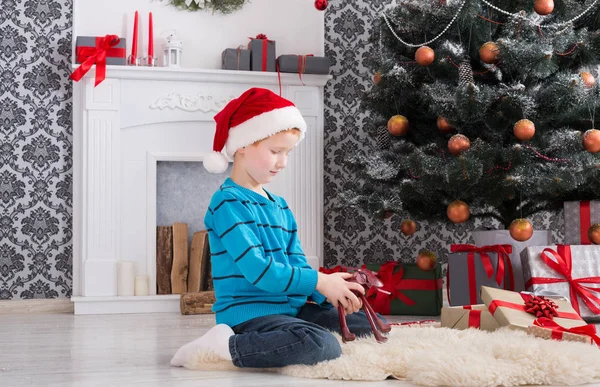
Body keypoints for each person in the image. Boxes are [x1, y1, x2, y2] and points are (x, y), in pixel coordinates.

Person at [171, 88, 381, 369]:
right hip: (248, 315)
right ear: (243, 146)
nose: (282, 162)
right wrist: (320, 281)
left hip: (289, 309)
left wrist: (331, 291)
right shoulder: (227, 203)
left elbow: (296, 263)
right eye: (275, 151)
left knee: (369, 324)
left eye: (288, 153)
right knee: (321, 344)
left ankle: (291, 334)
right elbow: (260, 272)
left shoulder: (279, 205)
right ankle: (226, 345)